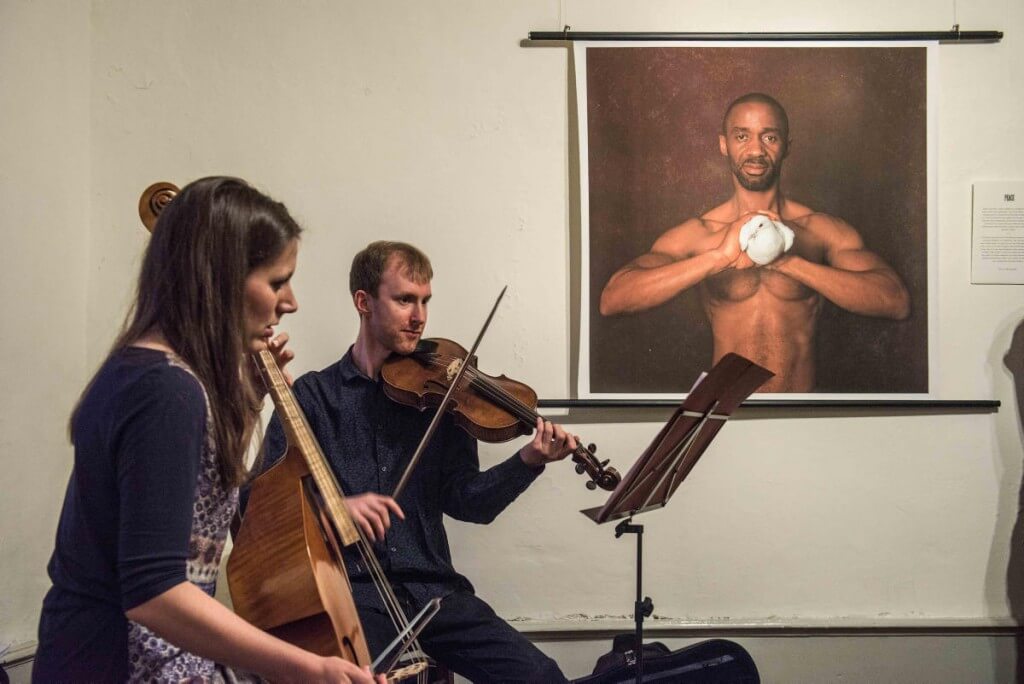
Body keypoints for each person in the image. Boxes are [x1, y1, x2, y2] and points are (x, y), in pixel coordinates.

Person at [34, 177, 382, 684]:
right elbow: (156, 592)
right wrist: (307, 668)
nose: (291, 302)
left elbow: (203, 505)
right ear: (220, 279)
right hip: (119, 661)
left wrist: (249, 398)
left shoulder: (153, 373)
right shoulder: (166, 391)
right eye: (278, 281)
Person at [256, 240, 572, 683]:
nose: (419, 316)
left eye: (424, 301)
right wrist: (334, 510)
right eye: (405, 299)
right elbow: (258, 510)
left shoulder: (439, 397)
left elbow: (469, 503)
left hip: (436, 595)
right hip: (354, 594)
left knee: (542, 677)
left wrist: (528, 460)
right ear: (363, 302)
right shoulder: (311, 398)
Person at [599, 92, 911, 392]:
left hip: (799, 410)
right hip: (724, 412)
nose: (756, 149)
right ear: (724, 144)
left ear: (786, 146)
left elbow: (895, 301)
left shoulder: (819, 230)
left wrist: (788, 263)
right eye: (742, 136)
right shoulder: (699, 234)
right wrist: (719, 257)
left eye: (769, 137)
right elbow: (613, 298)